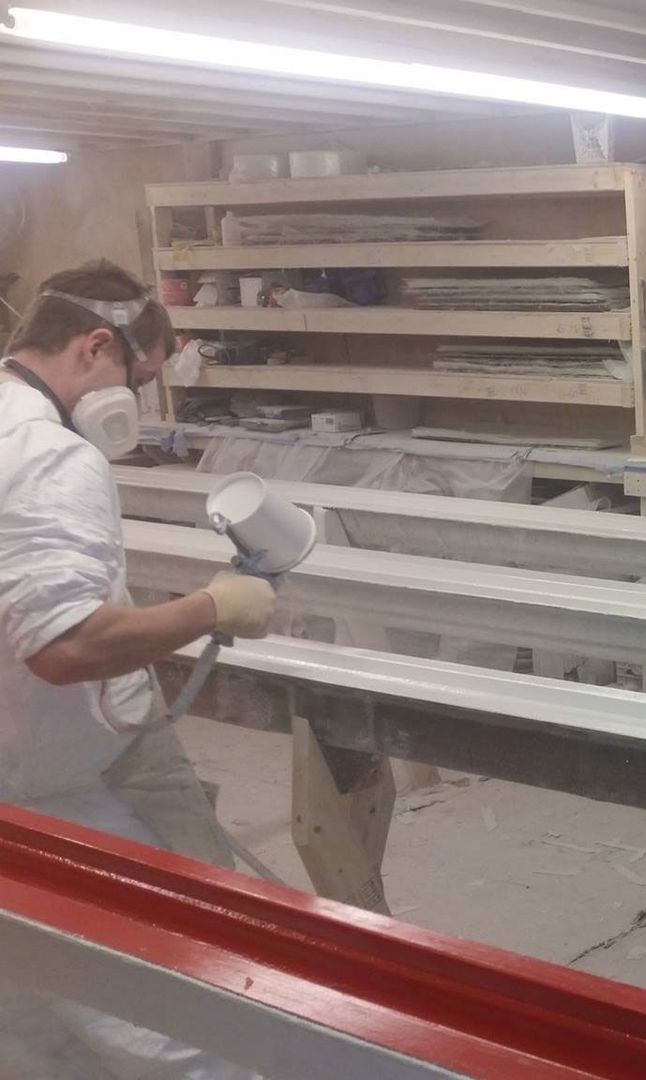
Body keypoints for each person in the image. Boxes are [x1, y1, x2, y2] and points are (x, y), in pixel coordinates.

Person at [0, 259, 279, 1078]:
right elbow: (65, 645)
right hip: (57, 771)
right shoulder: (51, 455)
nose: (142, 401)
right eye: (141, 376)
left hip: (18, 762)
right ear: (94, 347)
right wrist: (214, 608)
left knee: (26, 997)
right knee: (171, 997)